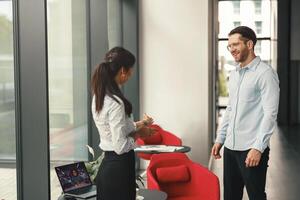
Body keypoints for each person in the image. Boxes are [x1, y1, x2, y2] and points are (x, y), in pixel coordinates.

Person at [211, 26, 280, 200]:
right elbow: (231, 109)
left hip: (251, 148)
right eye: (229, 46)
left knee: (256, 196)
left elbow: (270, 113)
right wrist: (220, 139)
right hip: (231, 148)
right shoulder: (234, 74)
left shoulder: (265, 74)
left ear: (249, 44)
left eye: (236, 44)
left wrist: (258, 147)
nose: (232, 49)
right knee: (231, 196)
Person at [91, 47, 155, 200]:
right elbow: (120, 146)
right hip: (119, 169)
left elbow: (116, 127)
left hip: (108, 167)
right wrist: (140, 133)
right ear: (122, 71)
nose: (131, 74)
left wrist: (141, 123)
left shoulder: (99, 96)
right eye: (130, 70)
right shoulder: (116, 102)